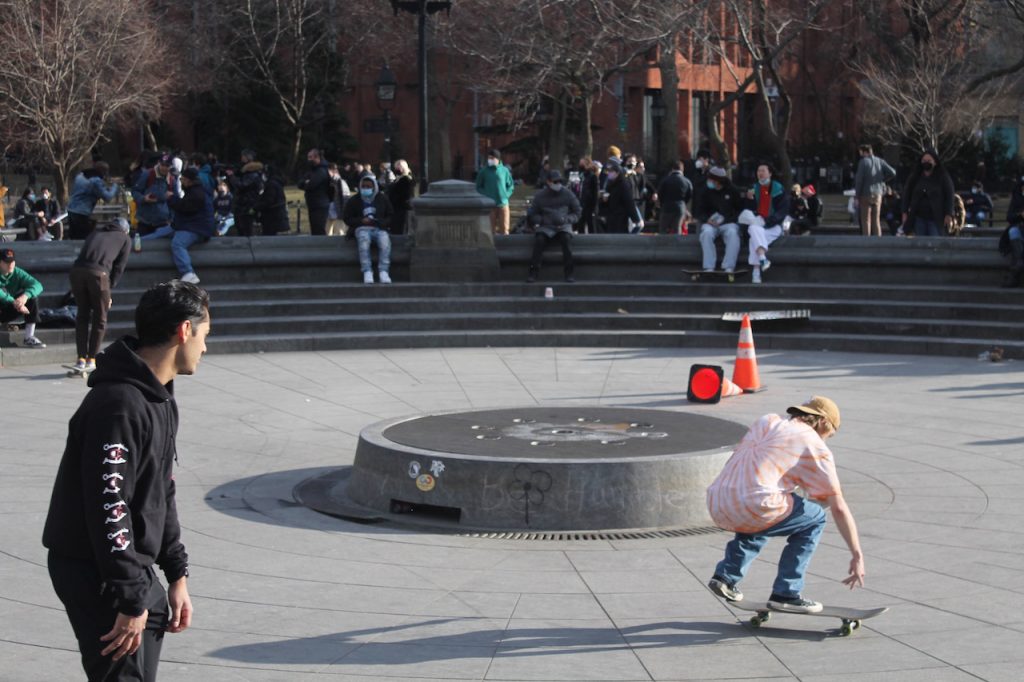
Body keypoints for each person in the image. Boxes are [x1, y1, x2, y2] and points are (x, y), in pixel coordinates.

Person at [43, 280, 207, 682]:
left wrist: (177, 573)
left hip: (129, 566)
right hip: (96, 570)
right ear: (184, 330)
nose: (204, 347)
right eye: (205, 335)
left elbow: (161, 490)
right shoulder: (118, 405)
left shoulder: (158, 396)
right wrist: (131, 599)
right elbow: (109, 505)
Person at [706, 396, 865, 613]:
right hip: (756, 504)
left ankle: (725, 577)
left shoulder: (768, 420)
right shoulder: (815, 445)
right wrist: (857, 555)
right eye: (829, 434)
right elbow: (838, 507)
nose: (826, 440)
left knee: (767, 515)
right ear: (823, 422)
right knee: (815, 518)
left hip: (718, 500)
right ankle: (787, 592)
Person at [69, 218, 131, 372]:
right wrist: (109, 288)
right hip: (99, 274)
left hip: (76, 272)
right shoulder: (124, 238)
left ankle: (80, 358)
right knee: (100, 318)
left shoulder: (96, 232)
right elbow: (119, 267)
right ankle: (92, 358)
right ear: (125, 230)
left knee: (82, 315)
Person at [140, 168, 214, 284]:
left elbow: (185, 208)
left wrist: (171, 198)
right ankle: (136, 242)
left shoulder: (197, 193)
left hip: (196, 228)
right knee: (159, 233)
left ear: (189, 180)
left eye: (182, 179)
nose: (181, 181)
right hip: (185, 225)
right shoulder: (193, 190)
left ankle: (188, 272)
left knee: (177, 244)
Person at [526, 169, 581, 283]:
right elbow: (532, 214)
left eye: (559, 181)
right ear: (548, 182)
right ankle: (533, 272)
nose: (558, 184)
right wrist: (542, 220)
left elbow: (577, 212)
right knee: (539, 240)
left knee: (566, 240)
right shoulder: (540, 196)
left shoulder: (568, 194)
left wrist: (567, 220)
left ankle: (569, 273)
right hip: (546, 226)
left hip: (563, 225)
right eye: (555, 182)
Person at [740, 163, 790, 284]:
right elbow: (748, 210)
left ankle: (756, 271)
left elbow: (782, 211)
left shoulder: (778, 189)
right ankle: (762, 260)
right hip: (758, 225)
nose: (760, 173)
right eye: (758, 171)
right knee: (753, 229)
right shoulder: (754, 188)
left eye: (763, 170)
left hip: (774, 226)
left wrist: (768, 221)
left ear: (770, 173)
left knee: (753, 239)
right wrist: (749, 199)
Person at [344, 174, 394, 284]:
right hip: (361, 228)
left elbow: (390, 215)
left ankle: (383, 271)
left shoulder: (382, 199)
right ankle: (367, 271)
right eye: (363, 186)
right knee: (364, 242)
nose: (366, 189)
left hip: (379, 228)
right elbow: (347, 218)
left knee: (384, 242)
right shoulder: (354, 200)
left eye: (368, 186)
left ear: (374, 187)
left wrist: (380, 222)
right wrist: (361, 221)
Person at [694, 166, 744, 273]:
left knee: (733, 234)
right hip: (710, 223)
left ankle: (728, 266)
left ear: (717, 181)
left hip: (728, 223)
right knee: (706, 234)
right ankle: (709, 266)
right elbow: (699, 211)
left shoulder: (733, 191)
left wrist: (729, 219)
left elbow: (739, 210)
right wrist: (707, 219)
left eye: (711, 179)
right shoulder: (705, 191)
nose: (708, 181)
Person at [901, 149, 955, 237]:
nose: (926, 163)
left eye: (929, 160)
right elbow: (907, 194)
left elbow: (950, 195)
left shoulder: (943, 176)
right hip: (918, 217)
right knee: (920, 241)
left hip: (936, 218)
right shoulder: (915, 176)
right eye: (924, 160)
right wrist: (904, 212)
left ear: (935, 162)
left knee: (934, 240)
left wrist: (948, 214)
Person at [0, 247, 46, 347]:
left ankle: (29, 337)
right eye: (6, 262)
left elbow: (37, 285)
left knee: (32, 297)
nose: (10, 265)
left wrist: (24, 297)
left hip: (8, 309)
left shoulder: (17, 272)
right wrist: (14, 302)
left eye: (12, 262)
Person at [67, 162, 120, 240]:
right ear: (104, 172)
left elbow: (87, 191)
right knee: (84, 238)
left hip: (71, 210)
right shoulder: (96, 181)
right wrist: (115, 186)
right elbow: (108, 197)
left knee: (74, 238)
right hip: (82, 213)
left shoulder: (80, 176)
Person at [854, 144, 896, 237]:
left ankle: (866, 240)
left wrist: (857, 196)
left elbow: (859, 180)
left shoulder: (863, 162)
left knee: (866, 220)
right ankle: (878, 240)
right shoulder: (880, 161)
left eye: (861, 152)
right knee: (876, 219)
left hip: (865, 193)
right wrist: (883, 180)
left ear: (864, 152)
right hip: (878, 193)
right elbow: (893, 172)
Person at [132, 154, 174, 237]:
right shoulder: (147, 174)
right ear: (158, 163)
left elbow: (175, 202)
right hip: (144, 219)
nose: (164, 168)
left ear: (171, 166)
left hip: (162, 221)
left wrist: (171, 218)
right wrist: (143, 198)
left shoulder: (172, 179)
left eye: (167, 166)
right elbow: (135, 191)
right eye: (162, 165)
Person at [475, 149, 516, 235]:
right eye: (489, 158)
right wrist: (486, 194)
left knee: (505, 230)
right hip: (489, 206)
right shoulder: (483, 171)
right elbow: (478, 187)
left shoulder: (504, 171)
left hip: (503, 205)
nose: (490, 160)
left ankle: (505, 243)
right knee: (490, 230)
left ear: (498, 159)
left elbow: (510, 186)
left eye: (492, 158)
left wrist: (506, 195)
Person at [230, 149, 264, 237]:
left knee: (246, 228)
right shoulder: (245, 173)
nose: (241, 158)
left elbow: (242, 186)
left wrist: (232, 177)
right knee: (241, 227)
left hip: (247, 205)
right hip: (243, 205)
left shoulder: (252, 175)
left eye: (243, 156)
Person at [600, 160, 639, 234]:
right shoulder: (610, 184)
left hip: (620, 218)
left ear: (617, 173)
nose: (609, 173)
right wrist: (604, 200)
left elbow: (629, 202)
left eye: (611, 171)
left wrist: (635, 219)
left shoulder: (623, 185)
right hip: (611, 218)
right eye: (608, 171)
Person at [298, 148, 331, 236]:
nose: (308, 160)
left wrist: (307, 183)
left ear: (317, 157)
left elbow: (311, 185)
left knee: (319, 229)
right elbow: (300, 183)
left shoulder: (321, 171)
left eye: (310, 157)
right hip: (313, 204)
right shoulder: (312, 170)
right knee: (314, 230)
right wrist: (306, 182)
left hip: (320, 204)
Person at [998, 177, 1024, 287]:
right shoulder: (1016, 199)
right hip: (1019, 227)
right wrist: (1020, 215)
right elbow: (1009, 217)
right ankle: (1019, 264)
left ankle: (1016, 269)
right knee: (1013, 232)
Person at [656, 160, 693, 235]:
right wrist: (683, 203)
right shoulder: (687, 181)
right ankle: (676, 242)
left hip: (666, 207)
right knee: (677, 228)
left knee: (663, 229)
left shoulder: (665, 180)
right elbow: (689, 195)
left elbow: (660, 194)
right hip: (680, 207)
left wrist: (662, 203)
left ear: (672, 169)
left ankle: (662, 242)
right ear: (682, 170)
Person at [255, 165, 290, 236]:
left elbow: (268, 201)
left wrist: (256, 207)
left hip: (272, 218)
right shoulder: (276, 183)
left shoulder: (271, 184)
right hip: (276, 217)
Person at [387, 159, 416, 235]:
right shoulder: (399, 179)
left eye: (397, 168)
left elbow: (403, 195)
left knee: (401, 229)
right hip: (397, 208)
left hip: (402, 209)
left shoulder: (406, 179)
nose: (396, 170)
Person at [575, 158, 600, 234]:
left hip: (589, 204)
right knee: (580, 223)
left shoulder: (592, 176)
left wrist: (594, 205)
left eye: (582, 163)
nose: (580, 165)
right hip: (581, 202)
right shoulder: (582, 175)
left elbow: (595, 192)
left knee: (590, 223)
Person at [326, 163, 351, 236]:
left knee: (339, 232)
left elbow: (344, 197)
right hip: (334, 209)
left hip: (338, 210)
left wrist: (343, 211)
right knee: (329, 231)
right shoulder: (335, 181)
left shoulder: (339, 181)